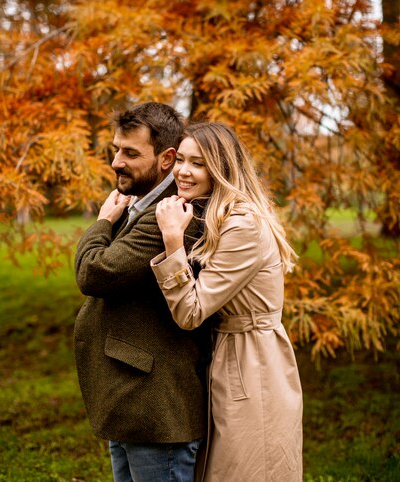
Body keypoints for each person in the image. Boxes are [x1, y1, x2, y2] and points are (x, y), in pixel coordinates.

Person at [150, 122, 303, 482]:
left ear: (221, 168)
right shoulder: (219, 214)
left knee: (250, 469)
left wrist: (173, 243)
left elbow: (190, 312)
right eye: (181, 160)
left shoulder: (243, 224)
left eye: (198, 163)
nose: (183, 171)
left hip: (253, 364)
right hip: (231, 354)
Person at [74, 102, 208, 482]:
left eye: (131, 153)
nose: (117, 161)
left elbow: (94, 273)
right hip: (129, 399)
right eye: (116, 149)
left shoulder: (173, 214)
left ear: (167, 159)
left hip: (155, 406)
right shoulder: (141, 204)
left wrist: (102, 222)